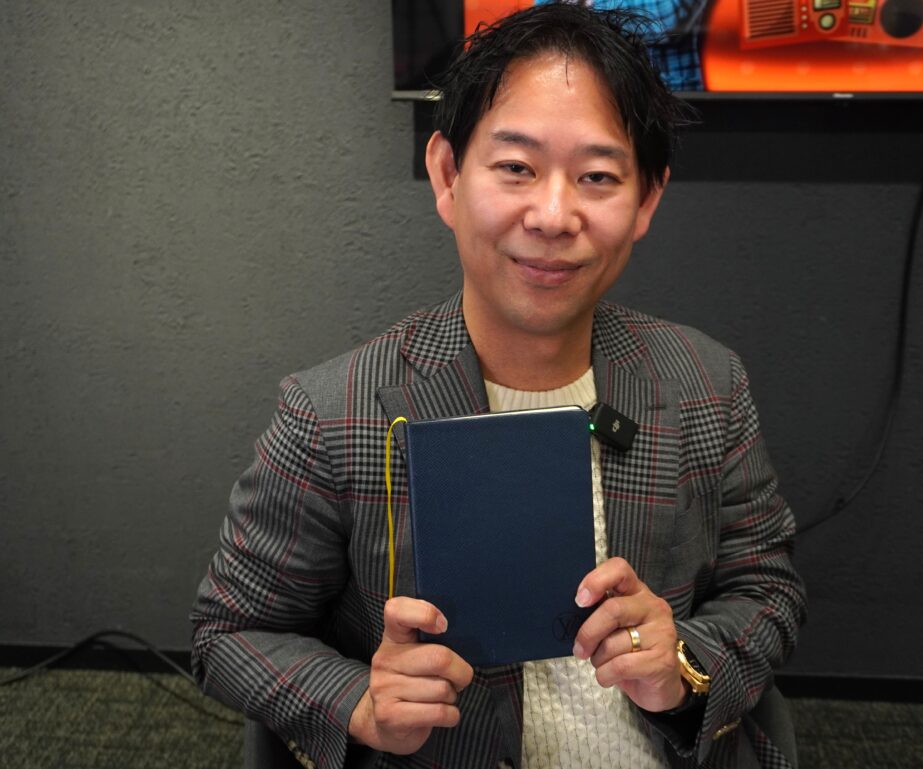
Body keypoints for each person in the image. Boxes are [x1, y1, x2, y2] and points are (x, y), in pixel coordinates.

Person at [190, 4, 807, 768]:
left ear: (646, 199)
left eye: (598, 177)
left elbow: (769, 588)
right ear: (448, 175)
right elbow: (229, 630)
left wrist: (683, 663)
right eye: (516, 167)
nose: (553, 215)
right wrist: (358, 702)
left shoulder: (707, 384)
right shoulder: (332, 411)